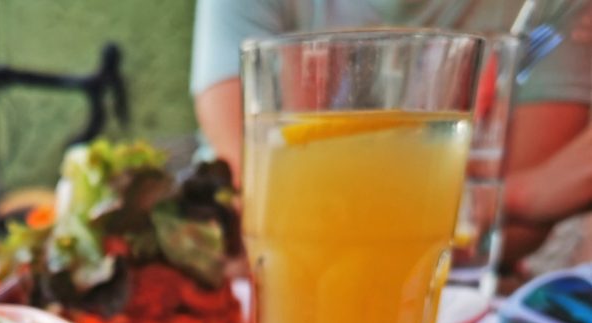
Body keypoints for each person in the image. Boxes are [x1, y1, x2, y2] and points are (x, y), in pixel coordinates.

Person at [190, 0, 592, 268]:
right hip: (252, 294)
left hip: (456, 303)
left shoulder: (549, 8)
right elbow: (268, 186)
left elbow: (510, 227)